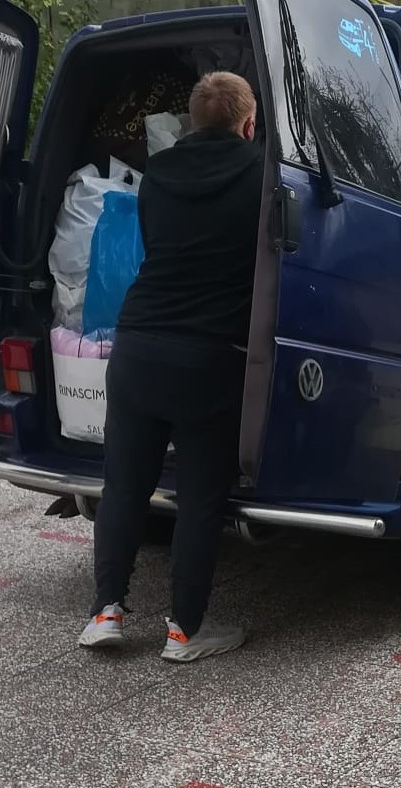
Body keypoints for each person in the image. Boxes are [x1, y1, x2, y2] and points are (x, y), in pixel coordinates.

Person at [78, 72, 263, 663]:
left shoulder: (157, 175)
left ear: (192, 121)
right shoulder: (262, 172)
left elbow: (157, 243)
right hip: (208, 356)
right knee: (200, 496)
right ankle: (184, 631)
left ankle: (106, 612)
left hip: (137, 343)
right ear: (249, 125)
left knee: (125, 485)